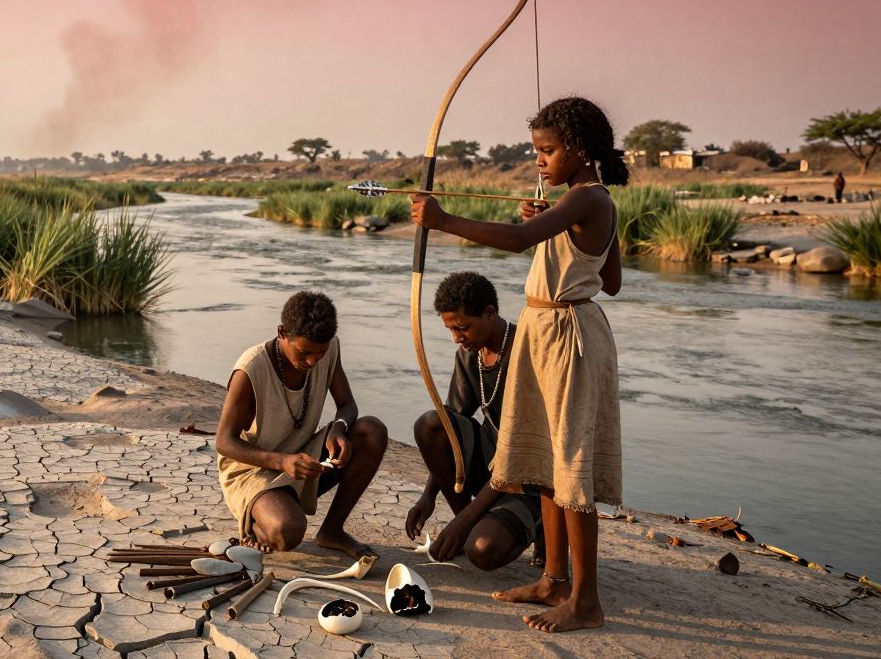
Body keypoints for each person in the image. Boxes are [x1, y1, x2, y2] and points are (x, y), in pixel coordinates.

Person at [410, 96, 624, 633]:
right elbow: (611, 278)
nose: (539, 161)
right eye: (536, 151)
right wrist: (559, 226)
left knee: (570, 469)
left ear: (578, 149)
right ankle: (553, 580)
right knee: (549, 465)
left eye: (547, 151)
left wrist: (443, 220)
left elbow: (519, 240)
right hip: (547, 330)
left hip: (567, 336)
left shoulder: (589, 197)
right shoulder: (581, 204)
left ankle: (586, 599)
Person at [215, 290, 386, 558]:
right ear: (282, 332)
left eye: (320, 353)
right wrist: (281, 462)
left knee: (372, 431)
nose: (312, 361)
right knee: (288, 530)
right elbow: (224, 442)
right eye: (304, 352)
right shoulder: (250, 370)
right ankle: (256, 526)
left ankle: (332, 531)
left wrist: (339, 428)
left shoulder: (327, 350)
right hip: (254, 470)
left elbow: (347, 405)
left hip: (302, 457)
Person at [405, 271, 543, 572]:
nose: (457, 338)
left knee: (482, 550)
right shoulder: (471, 354)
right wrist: (428, 497)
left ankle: (536, 524)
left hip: (528, 477)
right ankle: (474, 519)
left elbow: (517, 454)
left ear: (490, 313)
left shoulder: (526, 353)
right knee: (430, 423)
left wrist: (462, 522)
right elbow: (450, 427)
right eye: (451, 330)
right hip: (491, 465)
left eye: (463, 328)